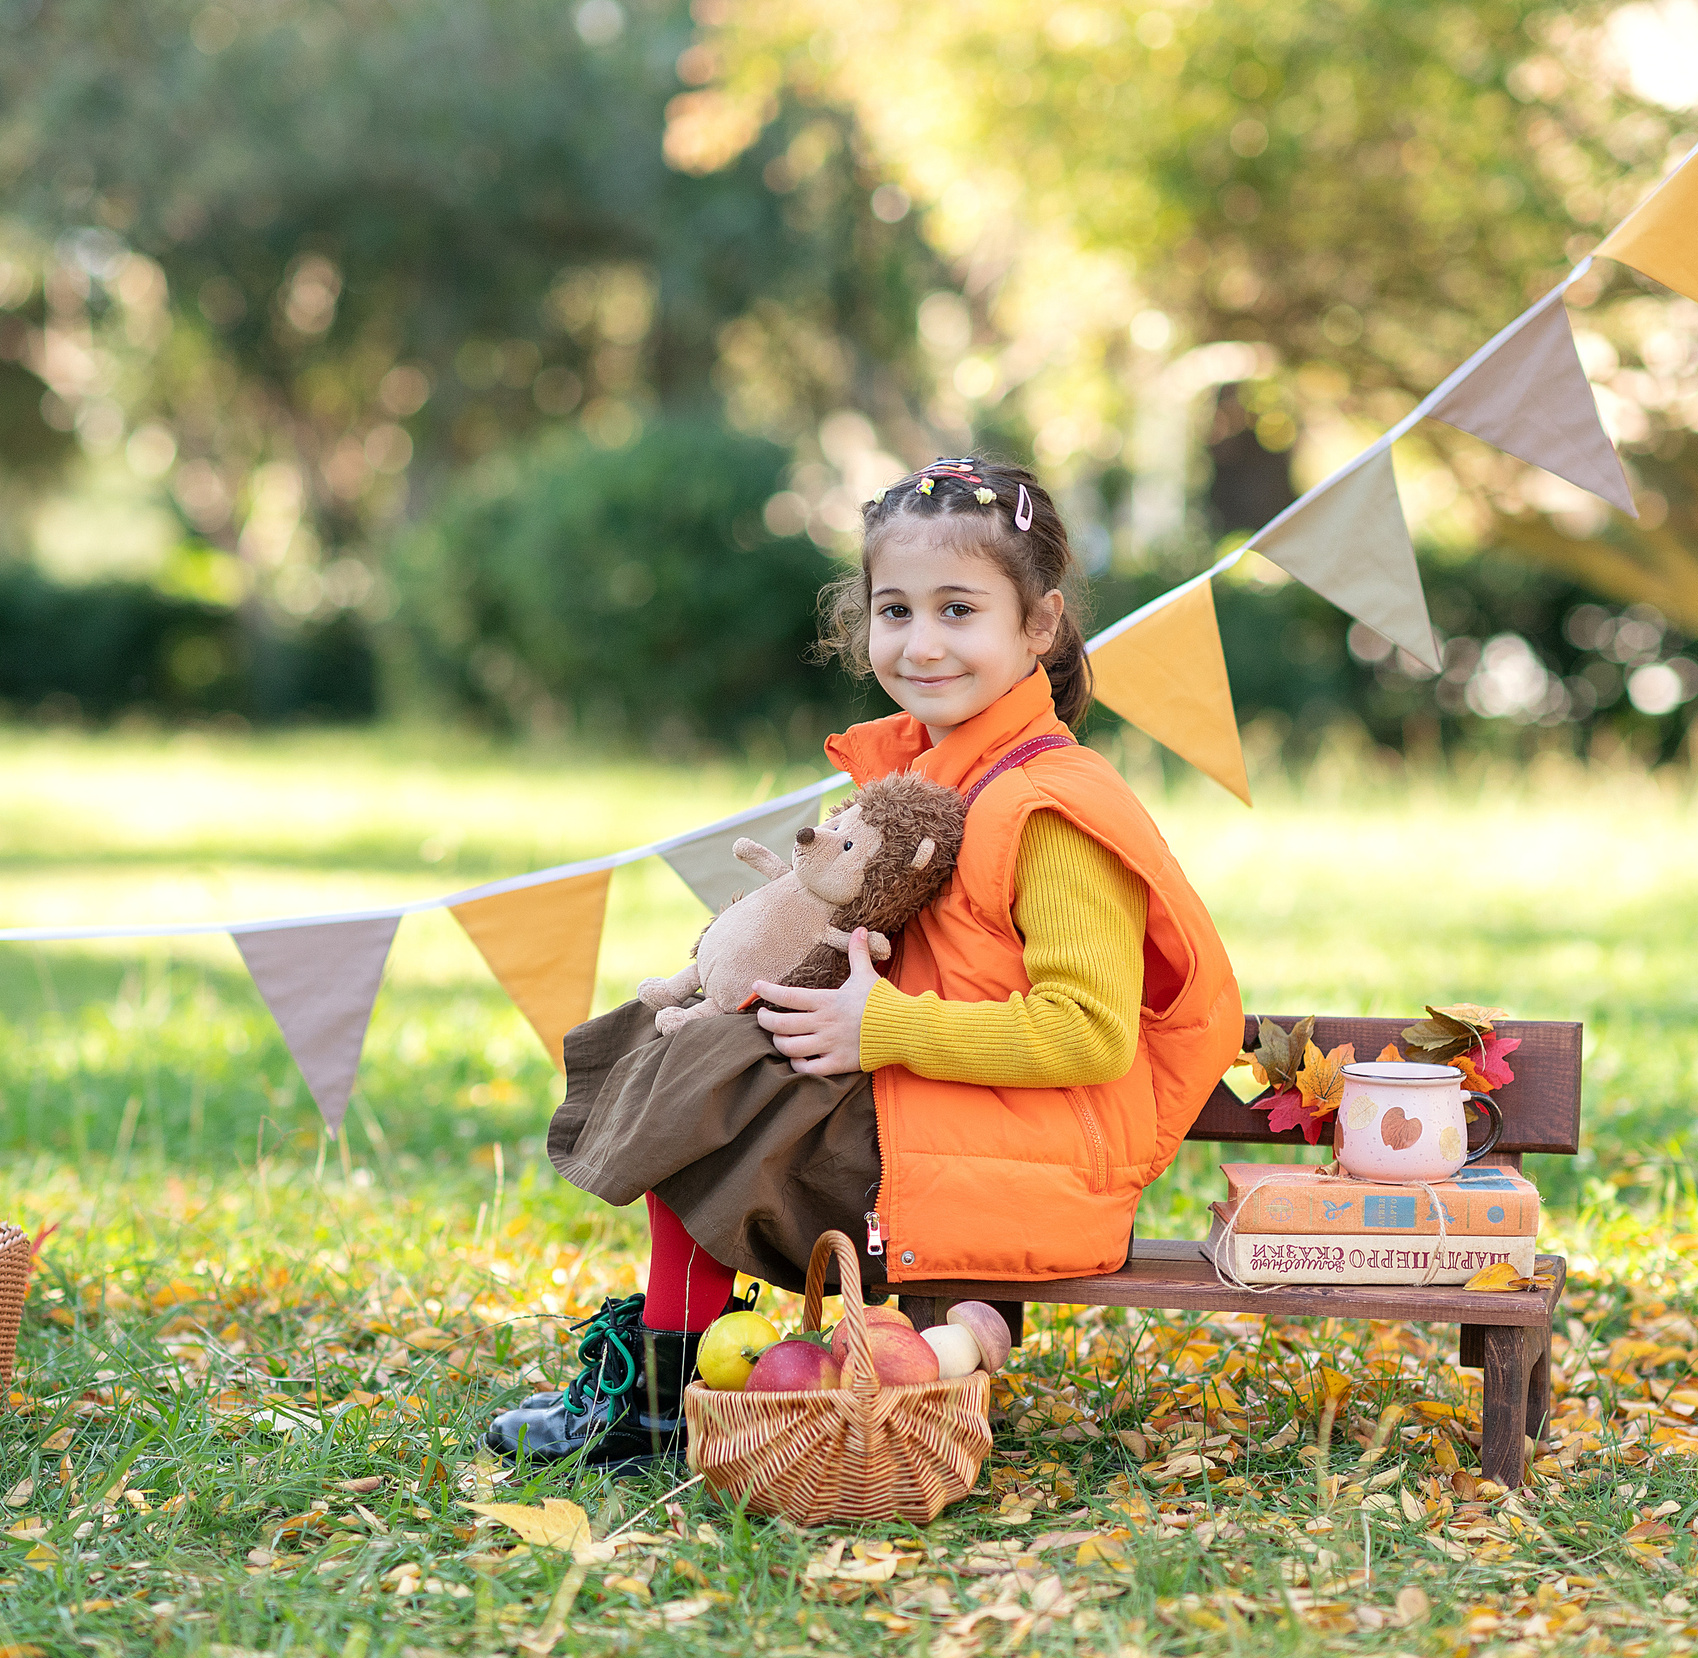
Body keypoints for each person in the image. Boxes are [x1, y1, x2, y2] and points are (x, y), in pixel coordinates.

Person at [487, 455, 1242, 1467]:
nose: (921, 643)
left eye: (959, 610)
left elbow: (1090, 1034)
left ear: (1040, 625)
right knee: (688, 1052)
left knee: (706, 1085)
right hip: (944, 1105)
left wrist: (875, 1029)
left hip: (1031, 1147)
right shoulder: (930, 777)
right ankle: (666, 1385)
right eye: (895, 610)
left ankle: (664, 1400)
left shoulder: (1052, 810)